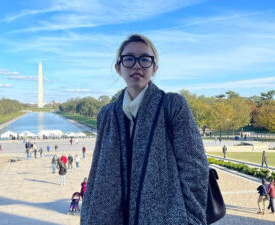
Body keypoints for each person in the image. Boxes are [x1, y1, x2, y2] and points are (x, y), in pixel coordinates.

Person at [80, 34, 208, 225]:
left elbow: (195, 169)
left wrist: (190, 219)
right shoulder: (106, 114)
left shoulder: (173, 105)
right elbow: (97, 170)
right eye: (129, 59)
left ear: (154, 68)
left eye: (144, 59)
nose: (137, 65)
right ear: (118, 67)